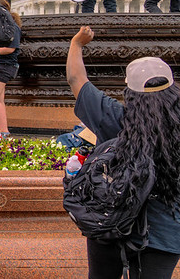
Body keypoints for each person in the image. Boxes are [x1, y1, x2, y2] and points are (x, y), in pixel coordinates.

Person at [66, 26, 180, 278]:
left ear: (129, 91)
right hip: (166, 234)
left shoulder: (115, 117)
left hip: (111, 224)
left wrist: (77, 44)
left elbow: (76, 80)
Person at [0, 0, 21, 137]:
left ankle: (0, 131)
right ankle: (3, 130)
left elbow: (10, 48)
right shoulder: (7, 26)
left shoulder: (11, 27)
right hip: (2, 65)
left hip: (4, 65)